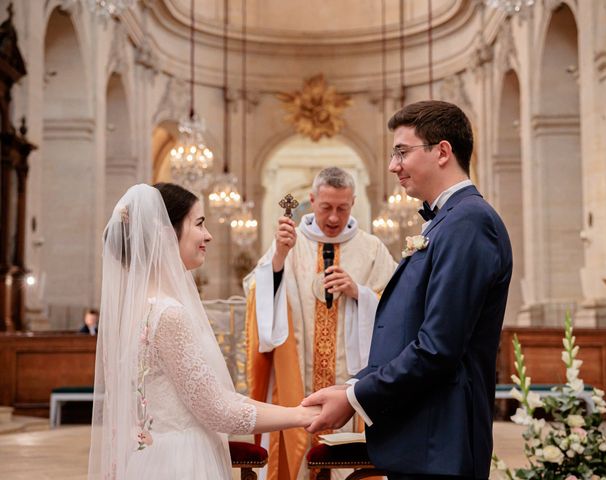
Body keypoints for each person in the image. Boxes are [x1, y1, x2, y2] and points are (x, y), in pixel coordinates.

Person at [303, 101, 513, 479]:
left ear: (443, 151)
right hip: (425, 435)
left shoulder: (469, 222)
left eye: (402, 151)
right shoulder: (446, 221)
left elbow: (437, 347)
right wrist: (353, 384)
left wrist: (354, 398)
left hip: (441, 438)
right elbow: (408, 330)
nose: (392, 165)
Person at [88, 183, 319, 480]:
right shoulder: (168, 314)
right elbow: (218, 410)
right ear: (165, 233)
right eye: (199, 223)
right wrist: (301, 415)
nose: (208, 235)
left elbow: (213, 397)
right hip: (181, 463)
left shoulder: (134, 311)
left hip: (151, 456)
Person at [243, 167, 396, 479]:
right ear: (311, 201)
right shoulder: (289, 241)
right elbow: (255, 294)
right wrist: (278, 261)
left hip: (350, 382)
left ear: (353, 202)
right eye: (326, 207)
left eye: (342, 208)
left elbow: (398, 307)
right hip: (298, 375)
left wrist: (360, 294)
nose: (333, 218)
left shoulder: (371, 249)